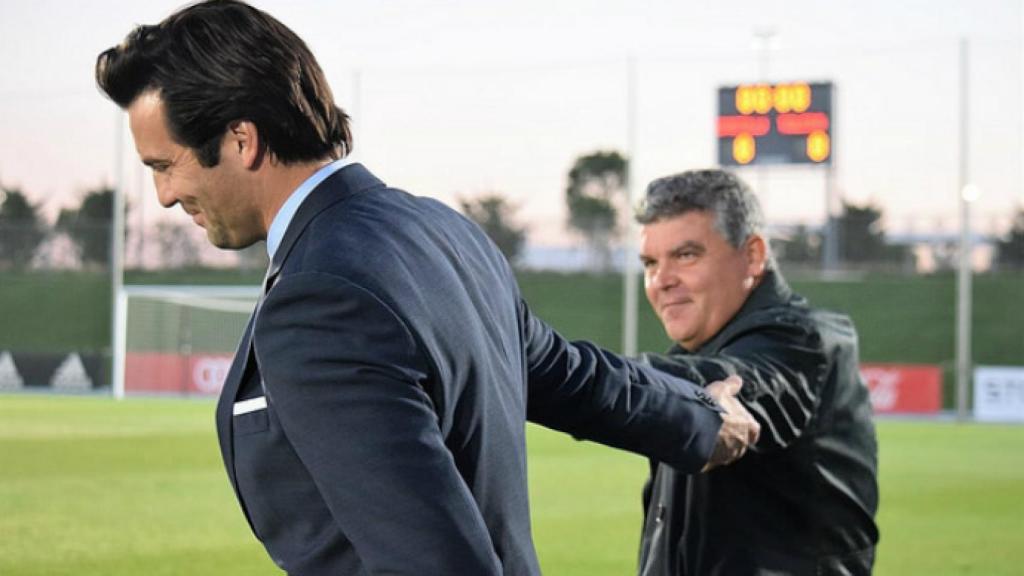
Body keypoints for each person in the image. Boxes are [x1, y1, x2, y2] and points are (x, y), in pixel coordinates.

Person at [96, 2, 759, 574]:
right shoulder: (444, 231)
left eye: (165, 165)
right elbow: (566, 376)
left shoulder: (318, 297)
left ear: (241, 139)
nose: (162, 195)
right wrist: (699, 419)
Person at [633, 169, 879, 576]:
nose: (661, 280)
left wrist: (560, 374)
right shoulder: (696, 352)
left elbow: (736, 382)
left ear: (752, 255)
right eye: (649, 262)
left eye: (686, 255)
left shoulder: (801, 343)